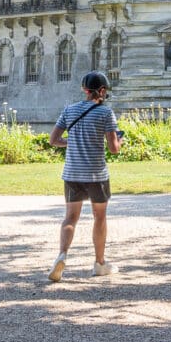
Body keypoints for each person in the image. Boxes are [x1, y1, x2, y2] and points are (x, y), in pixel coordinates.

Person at [48, 70, 123, 281]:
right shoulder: (105, 113)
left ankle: (61, 255)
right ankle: (99, 263)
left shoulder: (69, 110)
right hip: (96, 174)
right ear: (100, 91)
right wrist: (120, 141)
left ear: (84, 90)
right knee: (99, 217)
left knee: (70, 218)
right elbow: (114, 148)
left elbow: (53, 140)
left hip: (72, 173)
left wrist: (70, 142)